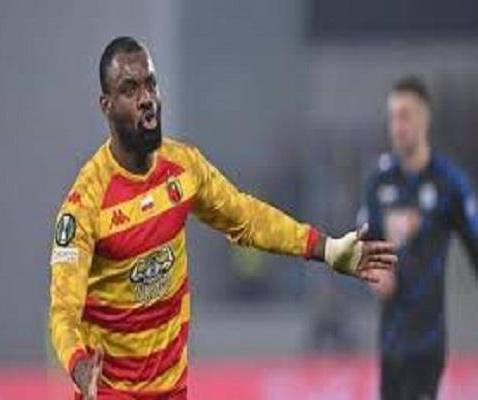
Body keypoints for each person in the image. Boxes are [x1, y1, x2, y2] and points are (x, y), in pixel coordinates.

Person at [49, 36, 397, 400]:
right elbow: (63, 309)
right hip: (108, 393)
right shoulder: (84, 205)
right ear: (106, 105)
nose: (146, 98)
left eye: (151, 84)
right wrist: (79, 365)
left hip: (172, 391)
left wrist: (326, 248)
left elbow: (247, 217)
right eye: (130, 90)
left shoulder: (183, 168)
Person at [360, 76, 478, 400]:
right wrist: (373, 271)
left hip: (427, 341)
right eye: (393, 117)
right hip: (390, 342)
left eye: (405, 115)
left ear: (424, 119)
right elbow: (364, 246)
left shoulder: (449, 183)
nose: (397, 126)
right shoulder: (379, 180)